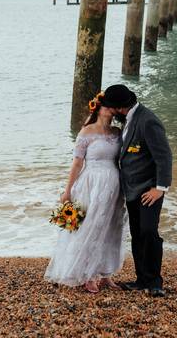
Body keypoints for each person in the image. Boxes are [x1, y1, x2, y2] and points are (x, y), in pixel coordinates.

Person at [44, 91, 125, 293]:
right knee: (91, 227)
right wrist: (67, 191)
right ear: (98, 108)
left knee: (111, 228)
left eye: (112, 106)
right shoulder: (86, 132)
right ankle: (87, 274)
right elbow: (77, 163)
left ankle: (106, 274)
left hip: (114, 184)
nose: (111, 109)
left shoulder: (117, 133)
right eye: (107, 105)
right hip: (92, 184)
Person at [99, 84, 172, 297]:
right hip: (131, 190)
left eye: (110, 107)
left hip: (149, 190)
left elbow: (164, 157)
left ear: (119, 107)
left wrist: (160, 188)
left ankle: (155, 281)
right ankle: (141, 280)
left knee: (150, 232)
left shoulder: (148, 120)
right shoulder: (129, 119)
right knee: (138, 234)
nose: (109, 111)